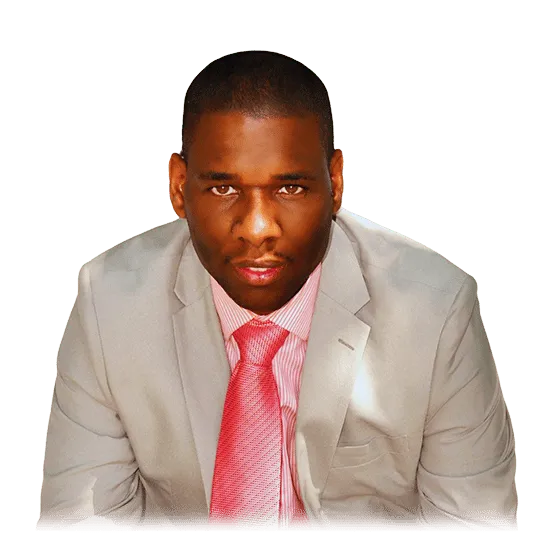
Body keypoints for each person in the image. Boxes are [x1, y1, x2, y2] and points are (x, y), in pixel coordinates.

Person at [36, 50, 518, 532]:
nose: (257, 229)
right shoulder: (109, 305)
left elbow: (473, 525)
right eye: (224, 189)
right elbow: (83, 524)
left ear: (335, 182)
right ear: (179, 187)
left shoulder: (436, 312)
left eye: (290, 189)